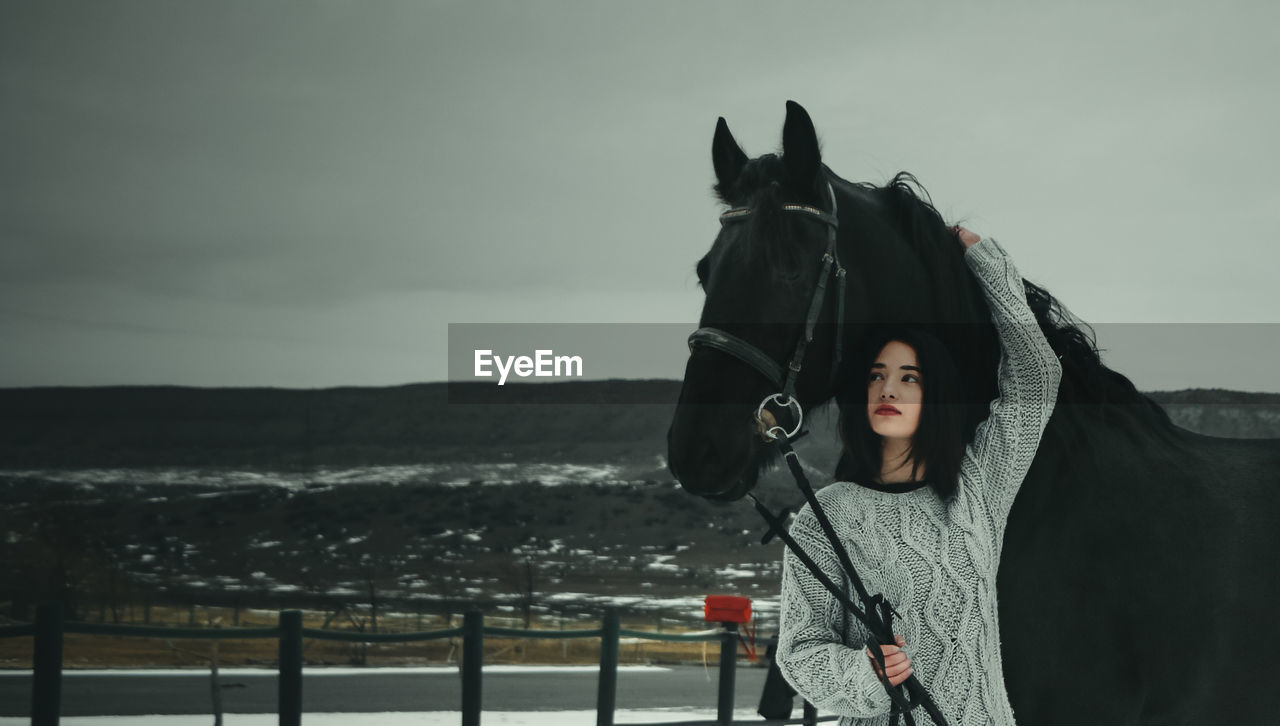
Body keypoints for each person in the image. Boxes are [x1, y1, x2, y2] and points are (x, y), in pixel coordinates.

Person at [774, 226, 1063, 725]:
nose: (889, 388)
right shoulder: (828, 514)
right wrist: (866, 674)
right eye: (877, 376)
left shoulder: (978, 487)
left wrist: (985, 262)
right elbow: (799, 651)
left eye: (910, 377)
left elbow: (1036, 383)